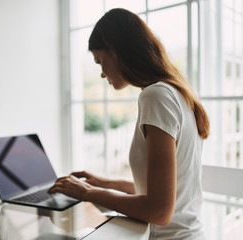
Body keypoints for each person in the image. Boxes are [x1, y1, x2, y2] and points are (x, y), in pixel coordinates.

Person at [49, 8, 209, 240]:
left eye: (99, 60)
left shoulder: (156, 96)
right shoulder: (174, 92)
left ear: (115, 51)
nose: (102, 73)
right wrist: (104, 183)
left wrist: (87, 192)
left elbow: (159, 210)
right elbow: (160, 190)